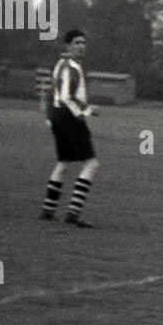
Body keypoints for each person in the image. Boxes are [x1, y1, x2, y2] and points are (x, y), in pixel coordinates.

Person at [40, 29, 98, 227]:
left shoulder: (61, 65)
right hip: (69, 118)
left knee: (63, 163)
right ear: (68, 46)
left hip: (59, 117)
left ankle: (48, 209)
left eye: (83, 42)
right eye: (76, 43)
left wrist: (49, 117)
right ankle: (73, 212)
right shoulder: (70, 67)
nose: (81, 46)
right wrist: (86, 111)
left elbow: (52, 94)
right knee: (91, 163)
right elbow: (66, 97)